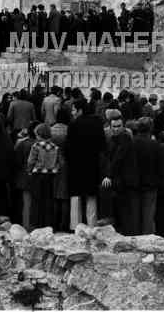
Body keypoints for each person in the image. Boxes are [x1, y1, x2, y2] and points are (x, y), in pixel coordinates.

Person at [66, 98, 104, 229]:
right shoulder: (97, 123)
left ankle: (75, 226)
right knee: (91, 196)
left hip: (76, 165)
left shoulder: (73, 125)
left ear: (80, 110)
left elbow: (68, 147)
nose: (72, 112)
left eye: (73, 110)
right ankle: (91, 225)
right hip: (92, 164)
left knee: (76, 196)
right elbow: (102, 145)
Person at [28, 123, 62, 229]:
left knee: (36, 200)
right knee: (49, 200)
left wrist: (29, 170)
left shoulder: (36, 146)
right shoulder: (55, 147)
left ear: (39, 134)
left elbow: (30, 161)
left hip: (37, 175)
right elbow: (61, 162)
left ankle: (36, 224)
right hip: (50, 176)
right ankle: (49, 223)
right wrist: (55, 168)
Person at [134, 116, 159, 235]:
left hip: (134, 184)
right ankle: (147, 238)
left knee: (135, 214)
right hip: (151, 184)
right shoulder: (155, 145)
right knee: (148, 215)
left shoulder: (132, 142)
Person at [13, 124, 37, 230]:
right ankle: (35, 224)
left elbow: (17, 161)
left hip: (24, 177)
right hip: (38, 177)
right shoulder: (40, 144)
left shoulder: (22, 144)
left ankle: (26, 225)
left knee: (26, 202)